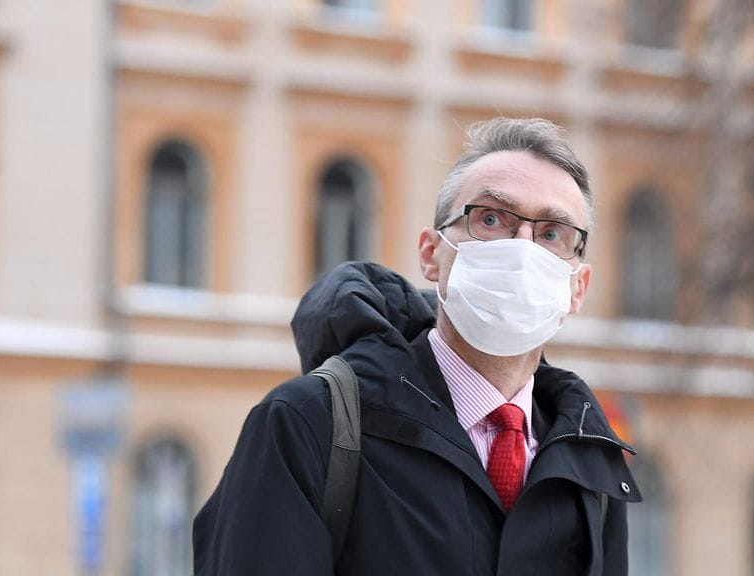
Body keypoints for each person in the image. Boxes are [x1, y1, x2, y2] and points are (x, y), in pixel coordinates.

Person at [193, 117, 642, 575]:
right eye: (490, 219)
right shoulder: (309, 423)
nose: (522, 250)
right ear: (431, 253)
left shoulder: (591, 466)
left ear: (578, 287)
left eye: (551, 234)